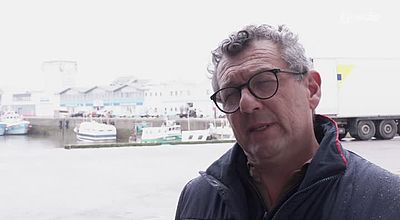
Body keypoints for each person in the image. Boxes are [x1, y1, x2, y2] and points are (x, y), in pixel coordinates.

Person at [175, 24, 400, 220]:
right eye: (231, 94)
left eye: (264, 81)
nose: (245, 103)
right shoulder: (197, 198)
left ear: (312, 89)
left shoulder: (386, 199)